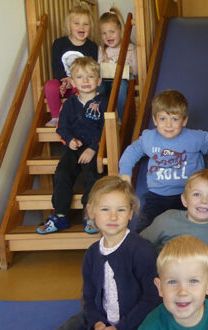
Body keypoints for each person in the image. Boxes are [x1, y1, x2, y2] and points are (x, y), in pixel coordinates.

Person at [0, 176, 160, 330]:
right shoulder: (92, 254)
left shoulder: (142, 250)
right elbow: (89, 298)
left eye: (120, 210)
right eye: (105, 209)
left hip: (135, 327)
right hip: (103, 324)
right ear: (91, 212)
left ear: (130, 213)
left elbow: (152, 299)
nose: (113, 216)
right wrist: (98, 324)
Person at [119, 90, 208, 232]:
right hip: (157, 196)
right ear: (155, 120)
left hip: (190, 194)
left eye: (174, 119)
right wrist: (125, 173)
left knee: (192, 229)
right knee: (144, 231)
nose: (168, 125)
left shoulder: (195, 138)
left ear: (184, 121)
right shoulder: (149, 138)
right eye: (162, 119)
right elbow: (132, 151)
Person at [37, 57, 108, 235]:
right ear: (73, 82)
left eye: (90, 76)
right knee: (62, 173)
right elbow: (62, 127)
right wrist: (69, 140)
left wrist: (93, 148)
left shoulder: (104, 103)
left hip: (95, 148)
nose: (85, 81)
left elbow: (107, 129)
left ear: (98, 81)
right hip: (74, 148)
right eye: (80, 77)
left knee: (93, 174)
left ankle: (90, 216)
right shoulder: (69, 104)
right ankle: (60, 215)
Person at [142, 169, 208, 273]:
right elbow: (141, 245)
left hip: (195, 280)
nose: (204, 201)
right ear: (184, 200)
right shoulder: (167, 220)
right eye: (197, 194)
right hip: (158, 276)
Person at [44, 1, 98, 127]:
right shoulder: (59, 44)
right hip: (63, 84)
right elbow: (56, 66)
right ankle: (56, 117)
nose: (81, 27)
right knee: (50, 86)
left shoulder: (92, 47)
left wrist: (74, 81)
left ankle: (77, 116)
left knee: (82, 86)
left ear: (90, 27)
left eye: (86, 24)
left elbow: (93, 70)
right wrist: (64, 80)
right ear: (69, 25)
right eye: (76, 23)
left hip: (80, 85)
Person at [97, 6, 137, 116]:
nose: (108, 36)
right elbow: (97, 70)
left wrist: (124, 67)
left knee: (121, 86)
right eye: (104, 33)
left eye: (112, 32)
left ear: (120, 30)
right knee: (98, 86)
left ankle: (121, 117)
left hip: (123, 80)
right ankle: (100, 116)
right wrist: (103, 64)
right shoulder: (102, 49)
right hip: (106, 80)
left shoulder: (130, 48)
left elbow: (136, 70)